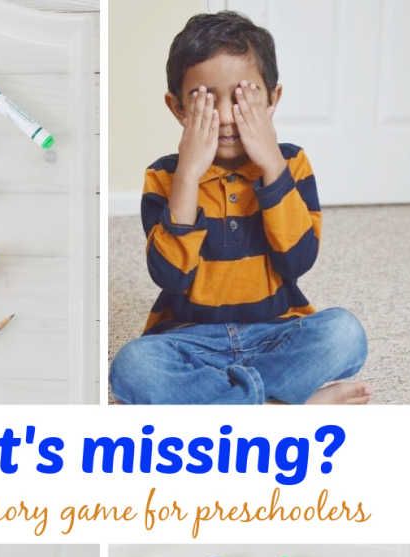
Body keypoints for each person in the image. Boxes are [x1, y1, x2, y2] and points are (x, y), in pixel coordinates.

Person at [110, 11, 371, 405]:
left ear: (272, 99)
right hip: (189, 341)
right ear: (178, 108)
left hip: (274, 333)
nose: (228, 116)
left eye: (243, 97)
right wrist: (188, 176)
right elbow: (170, 276)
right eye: (204, 101)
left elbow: (298, 260)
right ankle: (281, 407)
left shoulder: (291, 164)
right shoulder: (165, 177)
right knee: (133, 367)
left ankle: (227, 403)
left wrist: (270, 165)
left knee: (345, 333)